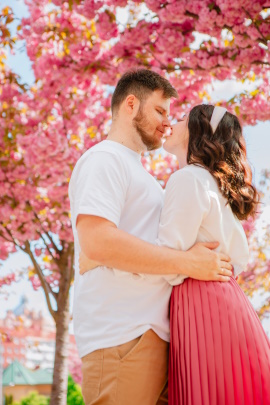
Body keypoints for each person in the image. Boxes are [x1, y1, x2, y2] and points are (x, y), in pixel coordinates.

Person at [68, 69, 232, 405]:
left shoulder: (139, 173)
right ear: (131, 105)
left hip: (152, 336)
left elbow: (109, 246)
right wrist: (189, 262)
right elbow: (97, 241)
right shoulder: (105, 159)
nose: (166, 122)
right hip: (123, 338)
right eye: (160, 110)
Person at [158, 104, 270, 405]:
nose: (172, 122)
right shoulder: (213, 184)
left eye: (181, 119)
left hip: (201, 305)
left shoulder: (188, 179)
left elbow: (167, 262)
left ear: (197, 131)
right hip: (228, 302)